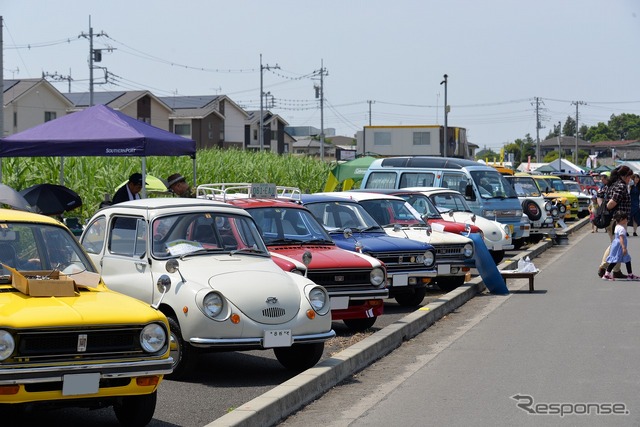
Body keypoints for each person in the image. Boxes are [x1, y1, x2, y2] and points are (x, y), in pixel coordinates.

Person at [598, 166, 633, 278]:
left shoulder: (614, 184)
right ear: (625, 176)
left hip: (618, 220)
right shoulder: (621, 186)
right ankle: (603, 267)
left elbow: (602, 194)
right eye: (629, 177)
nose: (630, 180)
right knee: (615, 244)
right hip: (617, 220)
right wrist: (608, 209)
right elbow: (611, 203)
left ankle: (616, 271)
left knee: (616, 245)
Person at [602, 211, 639, 281]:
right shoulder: (621, 229)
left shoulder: (617, 226)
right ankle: (607, 274)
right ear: (621, 219)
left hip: (616, 245)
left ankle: (629, 274)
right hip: (620, 247)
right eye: (626, 219)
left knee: (623, 260)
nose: (627, 220)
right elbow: (621, 239)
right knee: (617, 260)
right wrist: (624, 248)